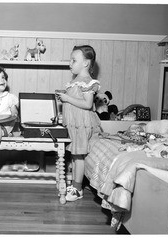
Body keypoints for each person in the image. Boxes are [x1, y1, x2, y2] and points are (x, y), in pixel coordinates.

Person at [55, 45, 101, 201]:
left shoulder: (88, 82)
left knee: (78, 157)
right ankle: (75, 185)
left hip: (82, 125)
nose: (70, 63)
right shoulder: (75, 82)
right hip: (74, 125)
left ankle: (77, 188)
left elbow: (88, 104)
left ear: (86, 63)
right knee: (75, 156)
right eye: (70, 60)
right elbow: (74, 102)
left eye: (74, 60)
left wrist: (67, 98)